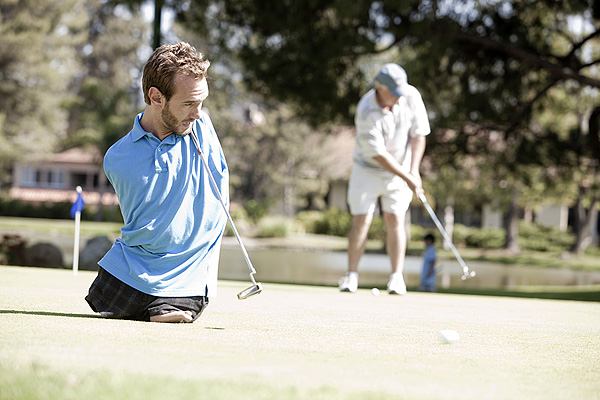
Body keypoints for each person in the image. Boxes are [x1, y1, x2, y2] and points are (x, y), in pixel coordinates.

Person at [85, 42, 228, 323]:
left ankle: (159, 308)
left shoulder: (202, 129)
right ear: (156, 97)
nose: (197, 113)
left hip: (189, 275)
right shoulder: (117, 157)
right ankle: (151, 309)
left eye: (201, 102)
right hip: (134, 267)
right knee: (102, 298)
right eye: (188, 103)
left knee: (179, 308)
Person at [339, 63, 431, 294]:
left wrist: (414, 170)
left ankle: (396, 278)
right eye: (394, 92)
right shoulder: (365, 109)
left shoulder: (410, 95)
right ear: (380, 88)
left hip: (401, 167)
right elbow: (378, 155)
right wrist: (407, 176)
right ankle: (351, 276)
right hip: (368, 168)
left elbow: (419, 135)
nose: (399, 98)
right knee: (362, 220)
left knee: (395, 219)